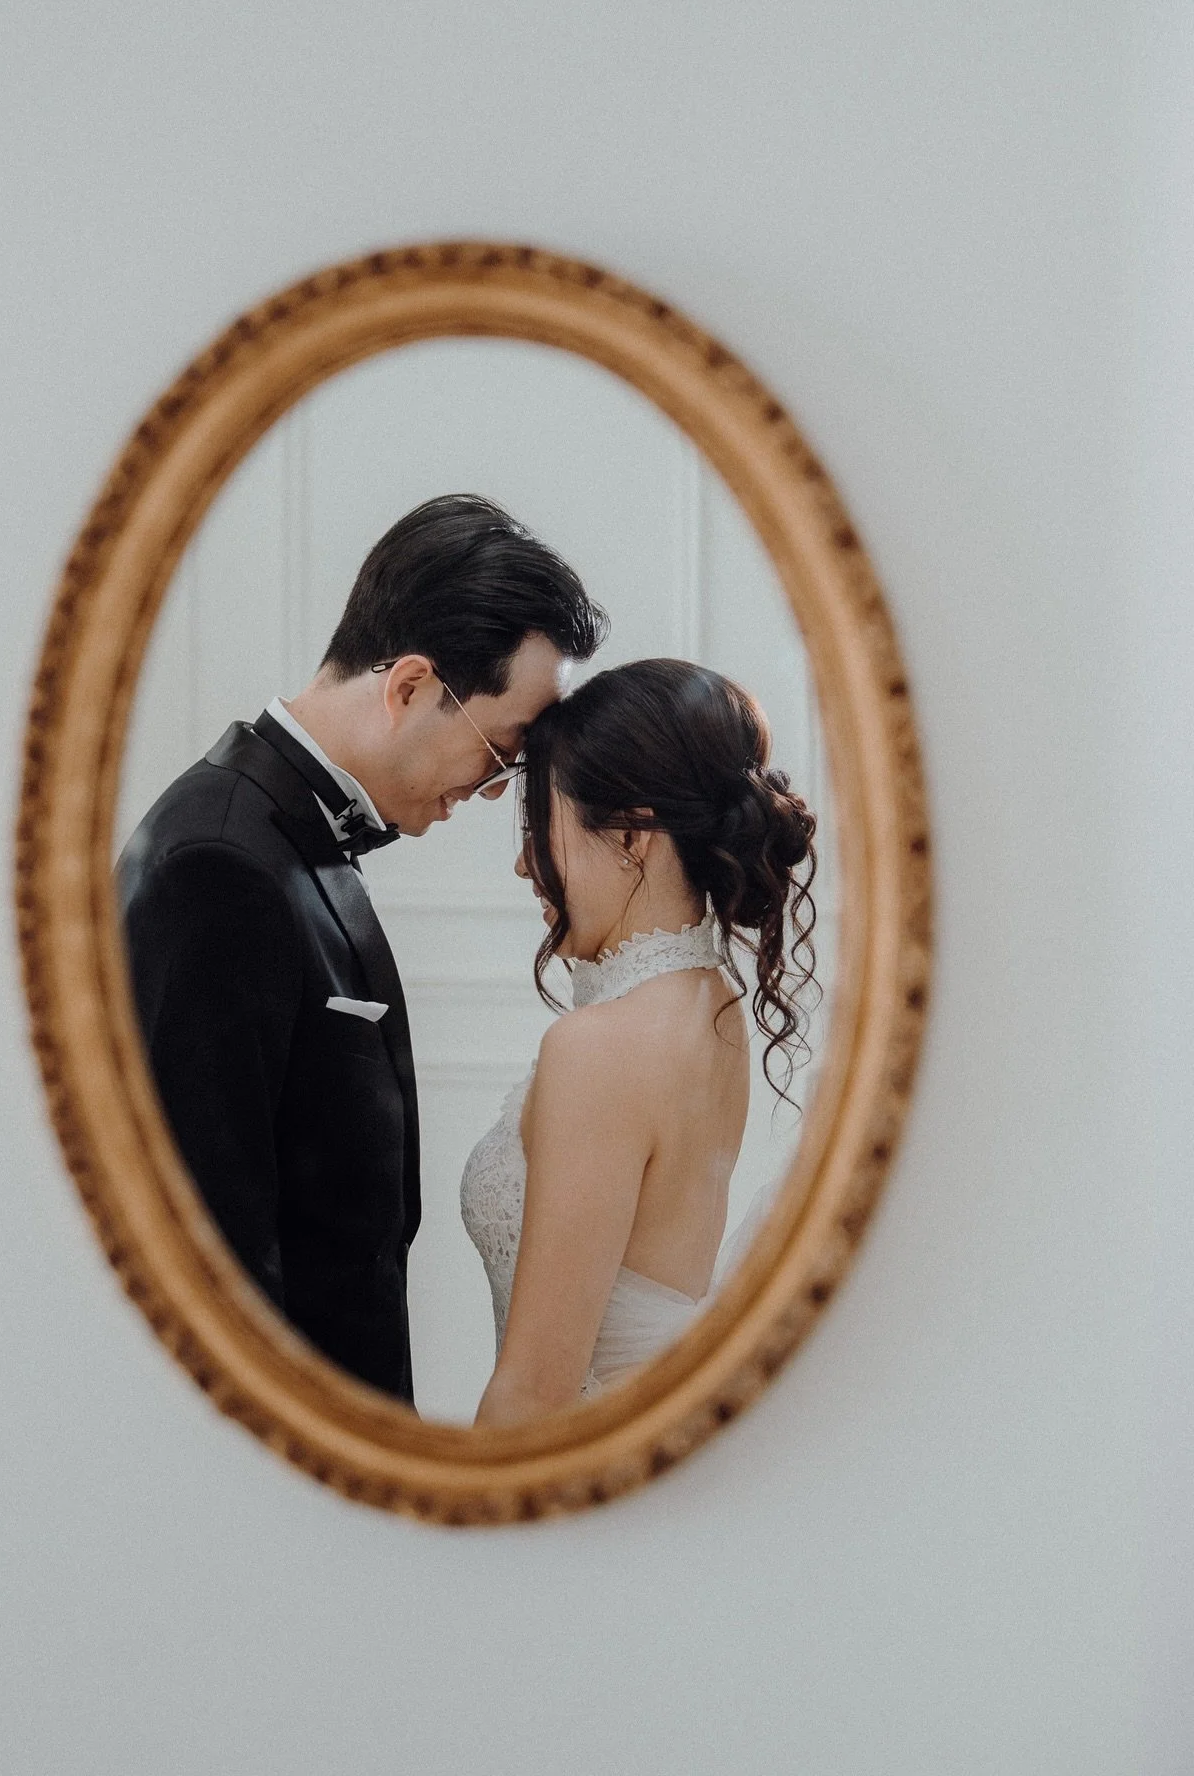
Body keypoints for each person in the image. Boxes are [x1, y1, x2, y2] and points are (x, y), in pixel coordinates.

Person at [116, 494, 607, 1406]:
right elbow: (205, 1258)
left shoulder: (284, 831)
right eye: (501, 753)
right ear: (410, 686)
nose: (496, 792)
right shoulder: (216, 867)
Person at [460, 658, 818, 1425]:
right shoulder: (711, 1004)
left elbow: (534, 1391)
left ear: (630, 834)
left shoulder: (600, 1047)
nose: (524, 864)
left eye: (538, 828)